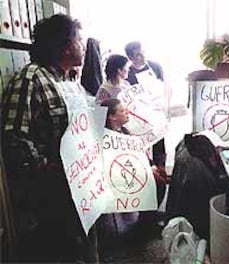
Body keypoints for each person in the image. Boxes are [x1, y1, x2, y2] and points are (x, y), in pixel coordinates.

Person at [1, 14, 95, 262]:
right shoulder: (30, 79)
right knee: (57, 247)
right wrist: (45, 165)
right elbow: (14, 136)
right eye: (79, 40)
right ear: (64, 46)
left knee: (76, 243)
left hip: (77, 179)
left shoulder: (68, 79)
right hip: (50, 188)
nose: (83, 47)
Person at [98, 98, 168, 259]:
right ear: (112, 117)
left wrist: (151, 166)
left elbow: (138, 153)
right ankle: (143, 225)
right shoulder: (103, 137)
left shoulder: (125, 132)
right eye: (122, 111)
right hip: (116, 178)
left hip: (132, 171)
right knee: (153, 183)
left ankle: (147, 221)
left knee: (159, 182)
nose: (127, 112)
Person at [124, 41, 167, 170]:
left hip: (156, 109)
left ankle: (161, 169)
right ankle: (146, 171)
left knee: (159, 139)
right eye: (138, 55)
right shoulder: (128, 73)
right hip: (139, 114)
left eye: (143, 53)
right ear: (130, 58)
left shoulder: (155, 67)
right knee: (142, 142)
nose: (142, 57)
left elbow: (163, 86)